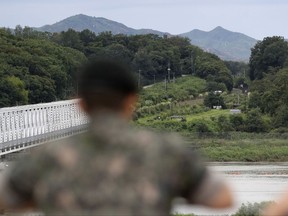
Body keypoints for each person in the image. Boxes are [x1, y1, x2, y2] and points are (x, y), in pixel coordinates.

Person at [0, 59, 233, 215]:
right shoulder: (165, 150)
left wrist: (45, 196)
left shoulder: (47, 155)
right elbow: (222, 199)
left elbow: (5, 200)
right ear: (132, 101)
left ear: (80, 104)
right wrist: (168, 189)